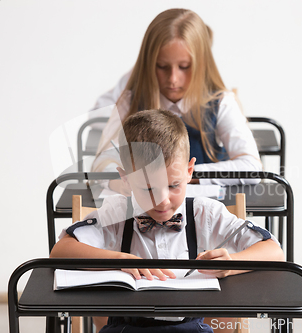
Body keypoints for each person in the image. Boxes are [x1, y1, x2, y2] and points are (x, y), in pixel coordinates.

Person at [51, 110, 284, 333]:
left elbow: (274, 251)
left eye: (173, 185)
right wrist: (121, 259)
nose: (162, 201)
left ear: (189, 171)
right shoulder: (116, 213)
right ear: (126, 179)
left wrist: (231, 263)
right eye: (148, 188)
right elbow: (60, 251)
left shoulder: (206, 214)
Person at [90, 8, 262, 195]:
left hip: (203, 213)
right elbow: (101, 166)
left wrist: (182, 175)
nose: (173, 79)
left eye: (184, 67)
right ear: (149, 63)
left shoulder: (220, 103)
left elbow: (251, 167)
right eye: (162, 66)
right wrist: (119, 184)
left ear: (202, 64)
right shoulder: (131, 101)